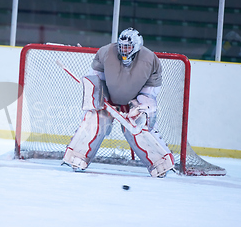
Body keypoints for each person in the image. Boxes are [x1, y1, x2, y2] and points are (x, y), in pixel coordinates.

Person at [62, 27, 174, 177]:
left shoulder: (151, 60)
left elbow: (150, 92)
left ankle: (161, 163)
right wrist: (100, 96)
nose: (124, 50)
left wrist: (138, 107)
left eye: (128, 47)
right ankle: (77, 157)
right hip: (108, 98)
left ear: (136, 47)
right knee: (95, 121)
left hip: (135, 101)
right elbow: (96, 79)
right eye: (122, 46)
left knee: (138, 126)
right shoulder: (105, 53)